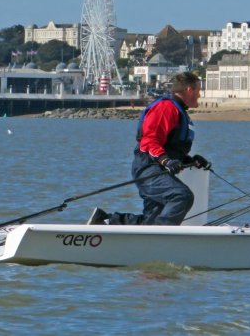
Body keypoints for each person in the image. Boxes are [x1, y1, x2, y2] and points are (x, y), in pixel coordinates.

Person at [88, 72, 210, 226]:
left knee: (150, 222)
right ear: (189, 90)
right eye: (199, 90)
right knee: (181, 196)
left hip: (159, 168)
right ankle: (160, 237)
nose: (200, 95)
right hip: (149, 168)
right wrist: (166, 161)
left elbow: (170, 147)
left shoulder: (177, 110)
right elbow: (149, 140)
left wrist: (189, 160)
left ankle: (106, 221)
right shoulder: (166, 108)